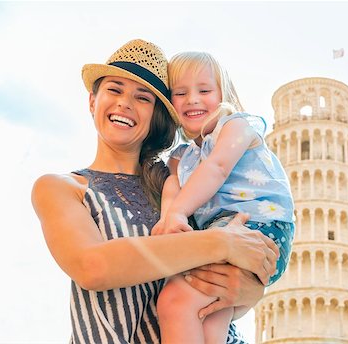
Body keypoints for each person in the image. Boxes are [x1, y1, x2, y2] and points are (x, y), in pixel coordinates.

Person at [31, 39, 280, 344]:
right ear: (92, 101)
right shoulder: (63, 188)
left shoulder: (186, 186)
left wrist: (250, 290)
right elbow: (92, 266)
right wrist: (219, 242)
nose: (125, 103)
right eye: (114, 89)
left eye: (142, 97)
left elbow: (232, 280)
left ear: (157, 114)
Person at [152, 51, 295, 343]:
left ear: (224, 94)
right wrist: (169, 218)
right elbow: (172, 187)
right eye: (181, 93)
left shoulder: (237, 127)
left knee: (174, 302)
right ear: (170, 104)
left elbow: (217, 168)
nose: (193, 98)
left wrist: (178, 213)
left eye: (204, 90)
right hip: (225, 232)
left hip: (258, 228)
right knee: (210, 315)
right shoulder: (181, 157)